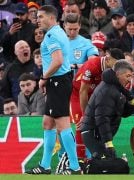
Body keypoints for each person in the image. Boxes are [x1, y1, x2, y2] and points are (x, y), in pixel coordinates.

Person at [26, 5, 81, 175]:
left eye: (41, 16)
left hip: (58, 81)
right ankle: (45, 166)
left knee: (63, 124)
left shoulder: (51, 36)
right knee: (47, 123)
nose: (37, 20)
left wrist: (44, 78)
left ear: (51, 17)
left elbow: (57, 61)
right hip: (57, 81)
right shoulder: (59, 33)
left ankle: (74, 167)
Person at [81, 60, 134, 160]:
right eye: (128, 76)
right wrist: (108, 143)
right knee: (107, 164)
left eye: (131, 77)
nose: (130, 80)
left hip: (98, 133)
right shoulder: (108, 90)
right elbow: (102, 118)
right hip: (94, 133)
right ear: (118, 74)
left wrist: (131, 103)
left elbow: (123, 113)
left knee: (107, 163)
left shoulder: (116, 88)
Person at [69, 50, 119, 160]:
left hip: (96, 97)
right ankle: (79, 160)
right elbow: (83, 92)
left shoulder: (113, 71)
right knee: (81, 127)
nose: (117, 68)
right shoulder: (92, 66)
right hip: (78, 95)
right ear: (108, 59)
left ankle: (99, 158)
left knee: (100, 125)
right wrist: (85, 115)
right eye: (116, 64)